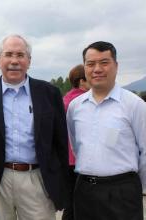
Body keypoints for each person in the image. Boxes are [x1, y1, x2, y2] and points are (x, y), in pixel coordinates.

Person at [0, 34, 69, 220]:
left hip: (37, 178)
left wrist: (63, 185)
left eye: (20, 55)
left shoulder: (49, 93)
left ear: (29, 61)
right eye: (8, 54)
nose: (14, 61)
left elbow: (61, 141)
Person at [67, 41, 146, 220]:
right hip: (84, 190)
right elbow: (76, 147)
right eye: (91, 64)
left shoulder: (134, 105)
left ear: (116, 66)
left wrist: (134, 187)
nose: (97, 69)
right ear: (85, 67)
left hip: (122, 191)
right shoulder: (75, 107)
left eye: (104, 62)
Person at [61, 64, 90, 220]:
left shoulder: (65, 98)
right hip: (79, 159)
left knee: (70, 201)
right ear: (81, 81)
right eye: (89, 78)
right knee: (79, 202)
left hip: (65, 159)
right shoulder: (82, 101)